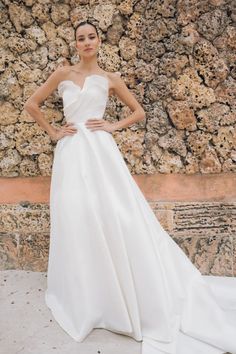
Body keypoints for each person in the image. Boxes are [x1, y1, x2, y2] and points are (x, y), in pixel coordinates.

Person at [24, 21, 236, 354]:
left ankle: (120, 287)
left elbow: (138, 112)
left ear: (98, 41)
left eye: (91, 36)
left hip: (101, 152)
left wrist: (112, 125)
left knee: (115, 213)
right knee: (76, 215)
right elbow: (31, 105)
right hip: (72, 152)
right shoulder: (62, 74)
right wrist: (53, 132)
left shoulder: (110, 79)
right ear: (75, 44)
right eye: (81, 38)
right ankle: (86, 292)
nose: (87, 42)